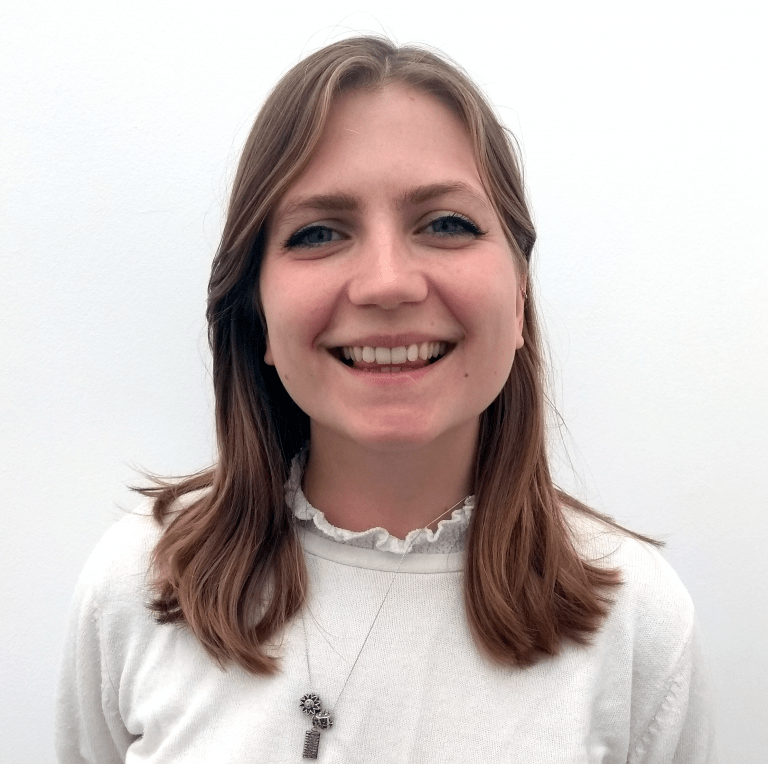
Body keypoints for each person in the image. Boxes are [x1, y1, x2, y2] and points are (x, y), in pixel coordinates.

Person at [55, 36, 716, 763]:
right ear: (259, 316)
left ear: (520, 298)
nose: (387, 283)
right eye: (317, 232)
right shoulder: (138, 586)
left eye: (446, 224)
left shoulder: (636, 618)